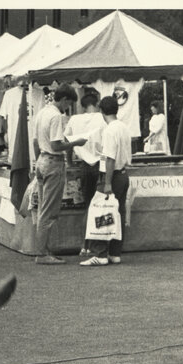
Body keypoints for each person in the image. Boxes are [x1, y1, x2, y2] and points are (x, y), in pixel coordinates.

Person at [30, 85, 87, 265]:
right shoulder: (56, 116)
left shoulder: (41, 113)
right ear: (64, 100)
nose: (67, 107)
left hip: (41, 160)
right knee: (49, 211)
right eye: (69, 103)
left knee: (42, 209)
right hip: (53, 162)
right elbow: (56, 145)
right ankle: (41, 252)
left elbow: (35, 141)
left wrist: (38, 159)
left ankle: (43, 249)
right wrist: (76, 142)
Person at [79, 96, 132, 267]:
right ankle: (115, 252)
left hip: (112, 175)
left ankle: (99, 253)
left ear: (101, 111)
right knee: (118, 213)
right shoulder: (123, 127)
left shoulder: (110, 130)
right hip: (123, 174)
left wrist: (107, 183)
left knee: (100, 211)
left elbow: (110, 158)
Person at [65, 91, 106, 256]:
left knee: (87, 205)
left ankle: (85, 245)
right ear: (96, 104)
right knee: (101, 206)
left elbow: (66, 141)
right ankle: (97, 245)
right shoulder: (103, 119)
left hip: (83, 166)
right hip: (100, 165)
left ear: (82, 106)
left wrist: (69, 162)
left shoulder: (74, 119)